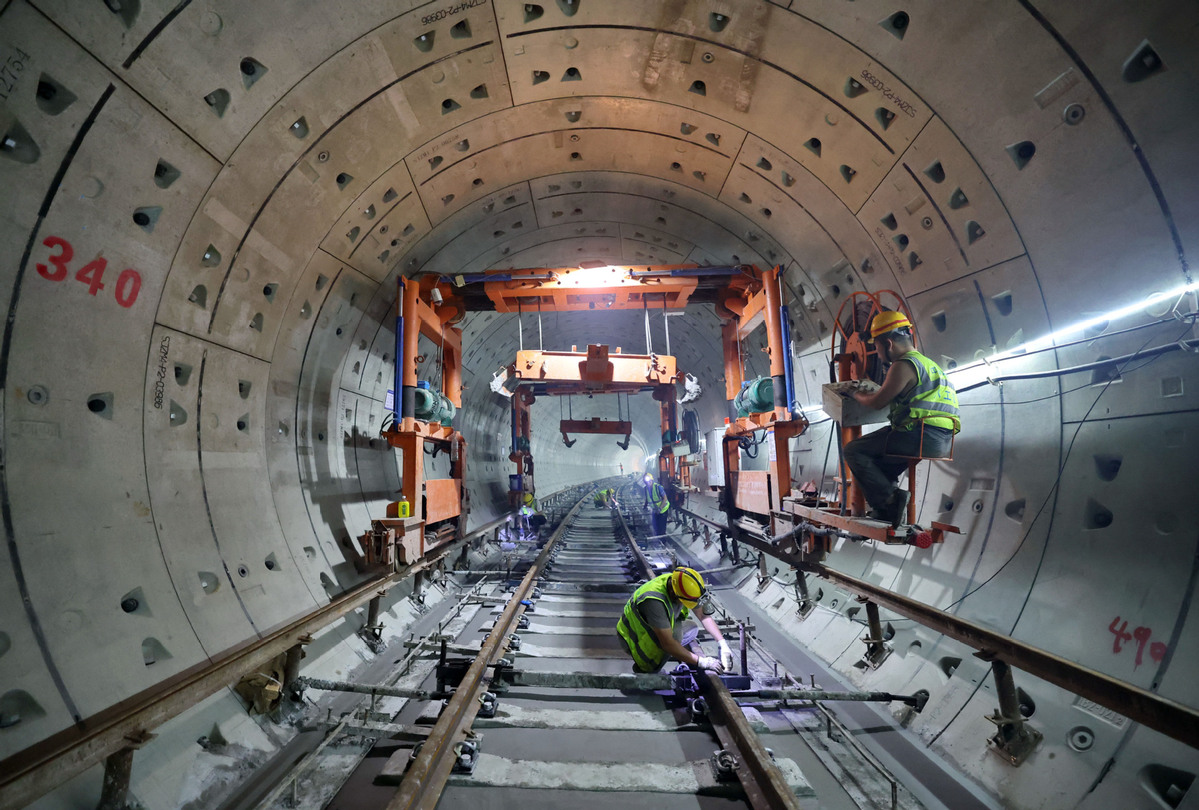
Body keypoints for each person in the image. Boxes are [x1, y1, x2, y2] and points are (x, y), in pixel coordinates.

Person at [845, 311, 961, 527]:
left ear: (888, 344)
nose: (876, 352)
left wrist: (855, 393)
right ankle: (890, 510)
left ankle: (891, 501)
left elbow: (878, 402)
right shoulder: (929, 364)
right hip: (943, 441)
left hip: (918, 434)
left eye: (876, 346)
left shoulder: (903, 365)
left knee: (853, 450)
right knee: (879, 467)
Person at [616, 567, 735, 674]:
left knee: (692, 628)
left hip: (648, 627)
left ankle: (674, 650)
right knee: (673, 639)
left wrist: (723, 644)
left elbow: (703, 616)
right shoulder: (654, 601)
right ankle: (649, 671)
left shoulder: (679, 583)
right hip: (632, 637)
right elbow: (667, 643)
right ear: (674, 593)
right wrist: (701, 662)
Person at [642, 473, 670, 537]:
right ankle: (658, 538)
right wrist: (645, 506)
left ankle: (663, 540)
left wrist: (660, 508)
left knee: (661, 528)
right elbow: (647, 498)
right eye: (646, 482)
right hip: (655, 510)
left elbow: (665, 498)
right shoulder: (646, 489)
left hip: (663, 509)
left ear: (652, 480)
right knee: (655, 526)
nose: (648, 483)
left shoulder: (658, 487)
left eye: (649, 481)